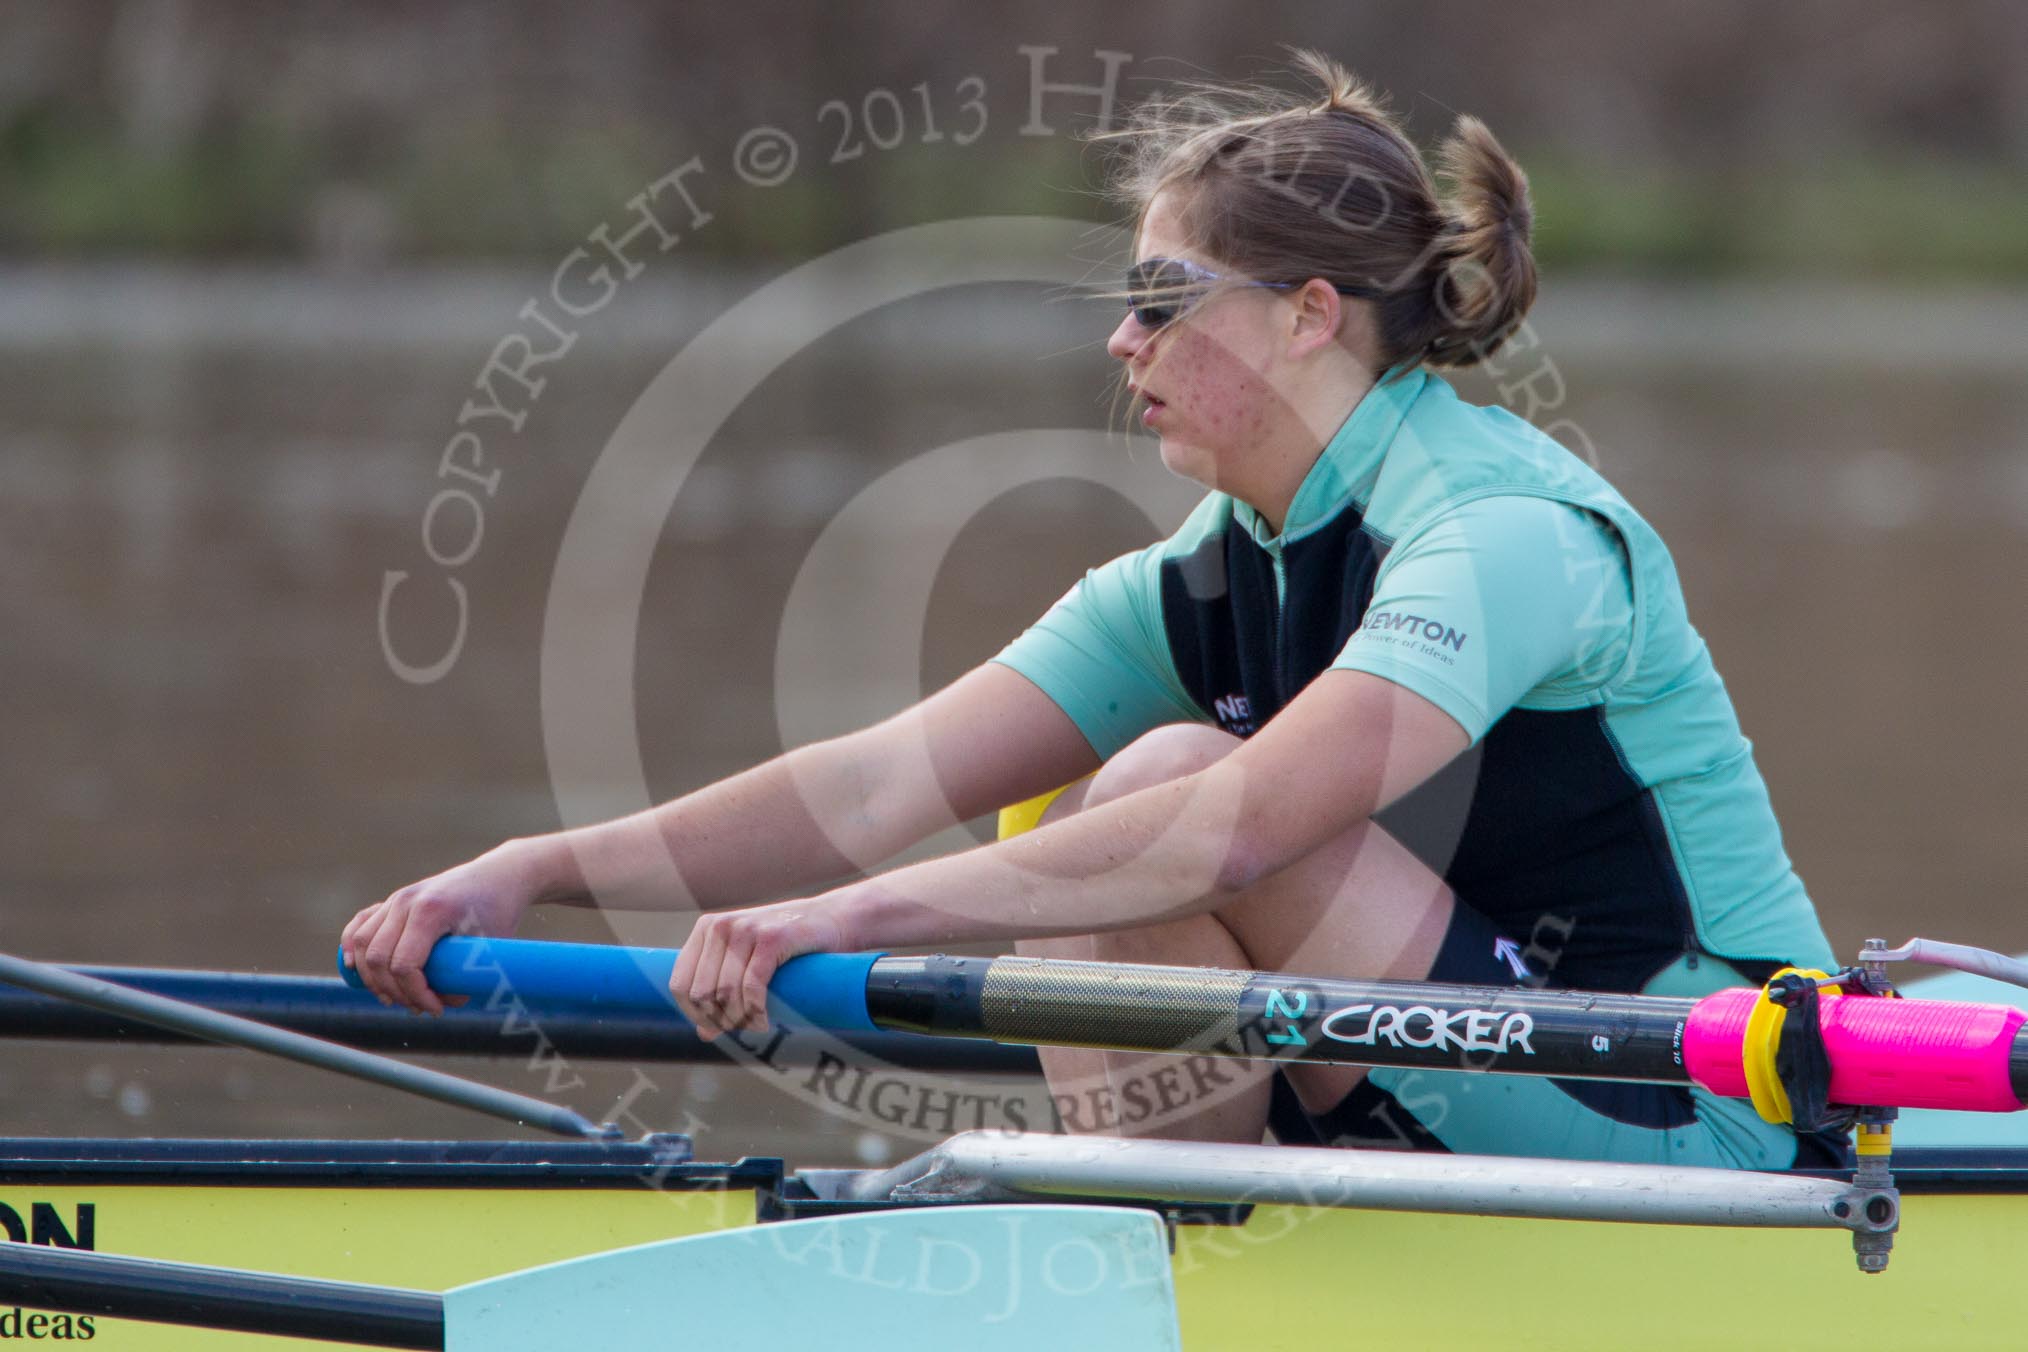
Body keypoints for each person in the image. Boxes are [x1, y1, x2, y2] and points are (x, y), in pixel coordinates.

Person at [343, 53, 1837, 1168]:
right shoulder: (1217, 565)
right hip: (1451, 1081)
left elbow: (1232, 831)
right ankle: (1169, 1244)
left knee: (1170, 785)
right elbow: (878, 780)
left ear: (1310, 316)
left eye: (1159, 297)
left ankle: (1172, 1246)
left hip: (1707, 1110)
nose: (1122, 341)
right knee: (1072, 799)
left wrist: (841, 921)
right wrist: (529, 869)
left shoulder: (1499, 529)